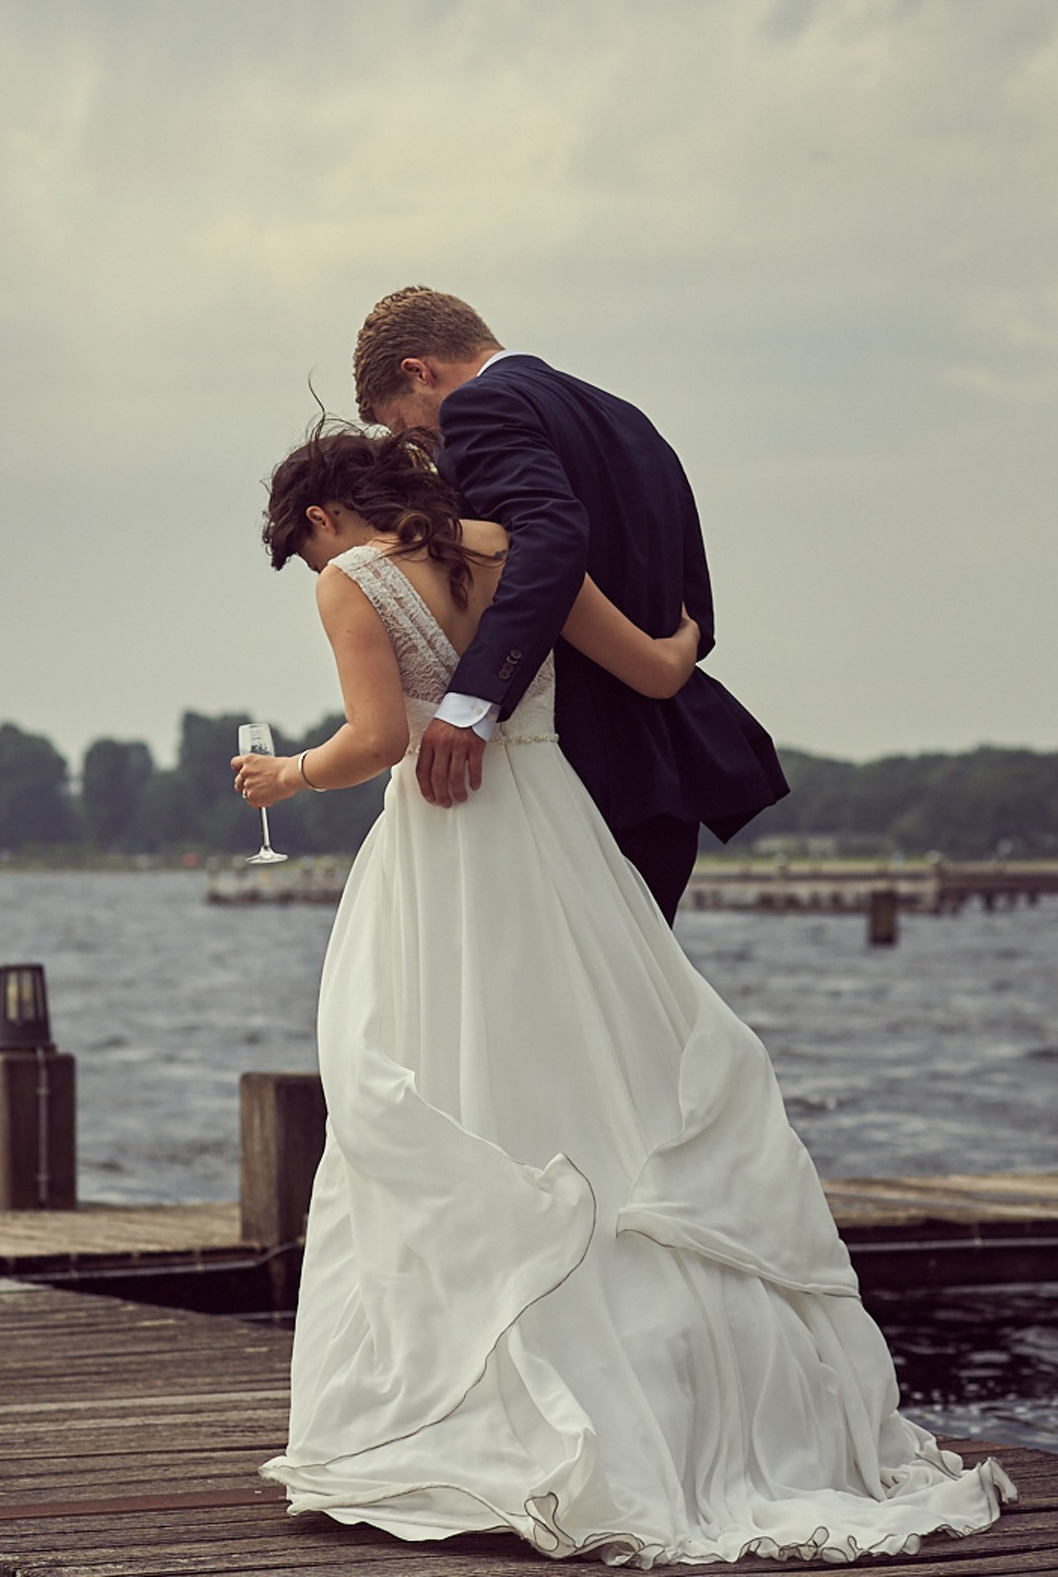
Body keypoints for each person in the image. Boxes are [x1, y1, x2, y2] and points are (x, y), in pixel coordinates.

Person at [235, 424, 1013, 1568]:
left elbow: (382, 734)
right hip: (563, 838)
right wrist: (688, 629)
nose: (319, 565)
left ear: (321, 518)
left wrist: (286, 773)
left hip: (448, 852)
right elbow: (655, 668)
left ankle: (482, 1396)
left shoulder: (351, 579)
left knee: (442, 1077)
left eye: (307, 549)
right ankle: (696, 1386)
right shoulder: (513, 548)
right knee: (612, 1075)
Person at [352, 286, 790, 924]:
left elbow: (550, 536)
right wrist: (664, 664)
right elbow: (690, 601)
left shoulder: (480, 405)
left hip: (568, 764)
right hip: (664, 772)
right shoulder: (628, 417)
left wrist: (474, 701)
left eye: (403, 424)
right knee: (637, 983)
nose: (419, 445)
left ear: (419, 371)